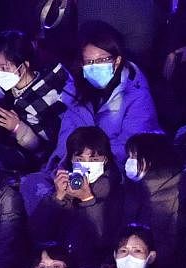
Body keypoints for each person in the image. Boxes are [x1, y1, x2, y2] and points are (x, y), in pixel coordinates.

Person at [53, 21, 160, 166]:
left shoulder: (137, 96)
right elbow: (65, 142)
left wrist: (94, 161)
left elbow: (132, 145)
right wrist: (62, 167)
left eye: (102, 60)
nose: (95, 66)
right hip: (78, 168)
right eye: (89, 62)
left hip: (117, 172)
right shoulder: (75, 93)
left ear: (117, 61)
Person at [29, 127, 124, 268]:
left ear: (105, 160)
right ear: (71, 160)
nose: (86, 165)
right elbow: (38, 233)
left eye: (93, 159)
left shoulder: (118, 192)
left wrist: (88, 200)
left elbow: (103, 240)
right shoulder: (64, 187)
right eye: (79, 159)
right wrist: (57, 198)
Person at [0, 30, 72, 172]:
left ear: (24, 66)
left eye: (5, 68)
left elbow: (48, 145)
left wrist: (18, 128)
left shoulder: (50, 91)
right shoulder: (3, 93)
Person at [120, 133, 182, 261]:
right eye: (129, 156)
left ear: (154, 159)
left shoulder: (178, 193)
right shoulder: (130, 188)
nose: (129, 161)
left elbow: (172, 241)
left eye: (135, 156)